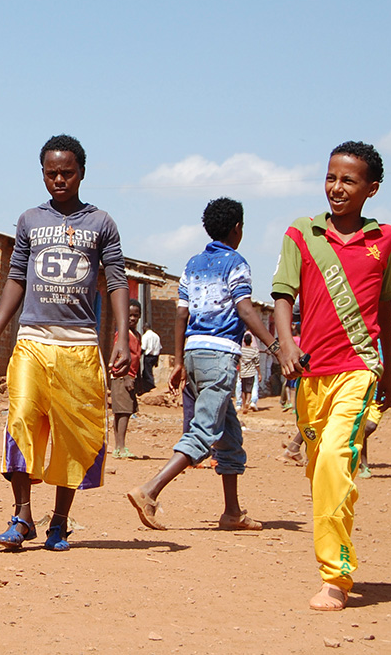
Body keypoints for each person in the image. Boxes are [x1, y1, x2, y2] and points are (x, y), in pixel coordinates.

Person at [0, 134, 130, 552]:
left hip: (80, 345)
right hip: (32, 339)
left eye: (67, 172)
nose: (59, 179)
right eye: (51, 173)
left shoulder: (101, 223)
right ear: (42, 174)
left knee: (72, 433)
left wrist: (119, 335)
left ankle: (59, 523)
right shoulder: (29, 220)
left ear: (81, 172)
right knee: (22, 418)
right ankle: (22, 515)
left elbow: (115, 280)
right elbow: (16, 277)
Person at [271, 140, 391, 612]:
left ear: (371, 189)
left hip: (358, 370)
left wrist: (384, 366)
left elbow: (384, 304)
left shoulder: (385, 239)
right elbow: (283, 294)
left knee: (333, 463)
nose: (336, 187)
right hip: (311, 373)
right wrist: (286, 342)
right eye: (331, 177)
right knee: (322, 472)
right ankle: (337, 547)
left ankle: (335, 576)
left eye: (348, 180)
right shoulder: (302, 233)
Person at [127, 197, 274, 533]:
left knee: (230, 436)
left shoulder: (193, 264)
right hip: (220, 355)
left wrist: (179, 362)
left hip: (193, 353)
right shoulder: (236, 262)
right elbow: (246, 310)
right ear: (238, 228)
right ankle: (150, 490)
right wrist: (276, 345)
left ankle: (232, 512)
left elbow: (182, 314)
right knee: (205, 431)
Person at [110, 300, 143, 457]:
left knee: (124, 411)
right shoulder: (122, 336)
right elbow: (117, 357)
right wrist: (125, 375)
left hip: (130, 377)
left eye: (135, 315)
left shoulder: (136, 335)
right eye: (129, 315)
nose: (132, 318)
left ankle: (118, 447)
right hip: (122, 376)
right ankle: (120, 447)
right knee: (123, 411)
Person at [237, 333, 261, 413]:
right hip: (251, 372)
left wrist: (240, 371)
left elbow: (239, 361)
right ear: (251, 341)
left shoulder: (241, 350)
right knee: (249, 390)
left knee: (243, 390)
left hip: (243, 372)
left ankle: (244, 405)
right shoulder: (254, 351)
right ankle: (248, 402)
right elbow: (257, 363)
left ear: (244, 341)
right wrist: (259, 373)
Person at [140, 323, 161, 393]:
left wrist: (138, 355)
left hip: (148, 356)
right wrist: (157, 360)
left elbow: (143, 347)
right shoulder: (156, 336)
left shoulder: (145, 336)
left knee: (148, 372)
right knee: (146, 371)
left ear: (145, 328)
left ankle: (151, 386)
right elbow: (159, 347)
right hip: (155, 356)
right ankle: (145, 387)